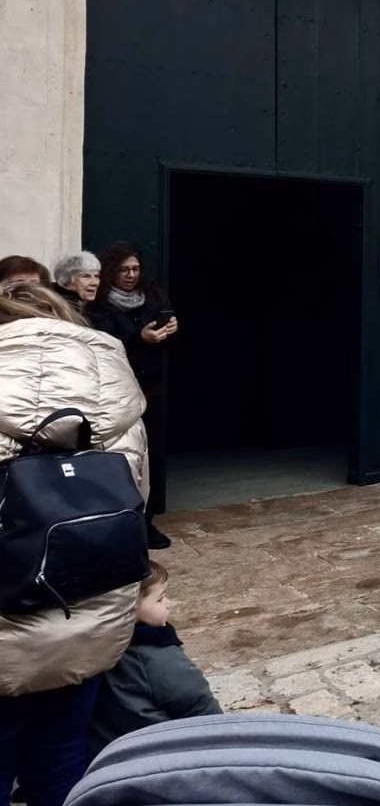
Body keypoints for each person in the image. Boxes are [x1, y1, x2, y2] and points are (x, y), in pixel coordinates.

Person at [0, 282, 147, 806]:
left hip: (8, 617)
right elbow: (134, 498)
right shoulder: (113, 389)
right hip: (90, 610)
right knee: (63, 758)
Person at [88, 242, 177, 550]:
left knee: (147, 460)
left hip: (150, 390)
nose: (130, 275)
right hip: (114, 393)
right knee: (117, 459)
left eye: (135, 269)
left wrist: (169, 332)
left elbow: (163, 338)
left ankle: (146, 522)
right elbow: (104, 343)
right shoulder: (96, 303)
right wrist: (140, 339)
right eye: (124, 270)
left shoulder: (152, 297)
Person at [88, 560, 221, 756]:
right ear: (128, 609)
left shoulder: (86, 648)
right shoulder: (156, 655)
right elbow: (200, 710)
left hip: (108, 756)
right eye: (160, 599)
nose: (169, 603)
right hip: (164, 755)